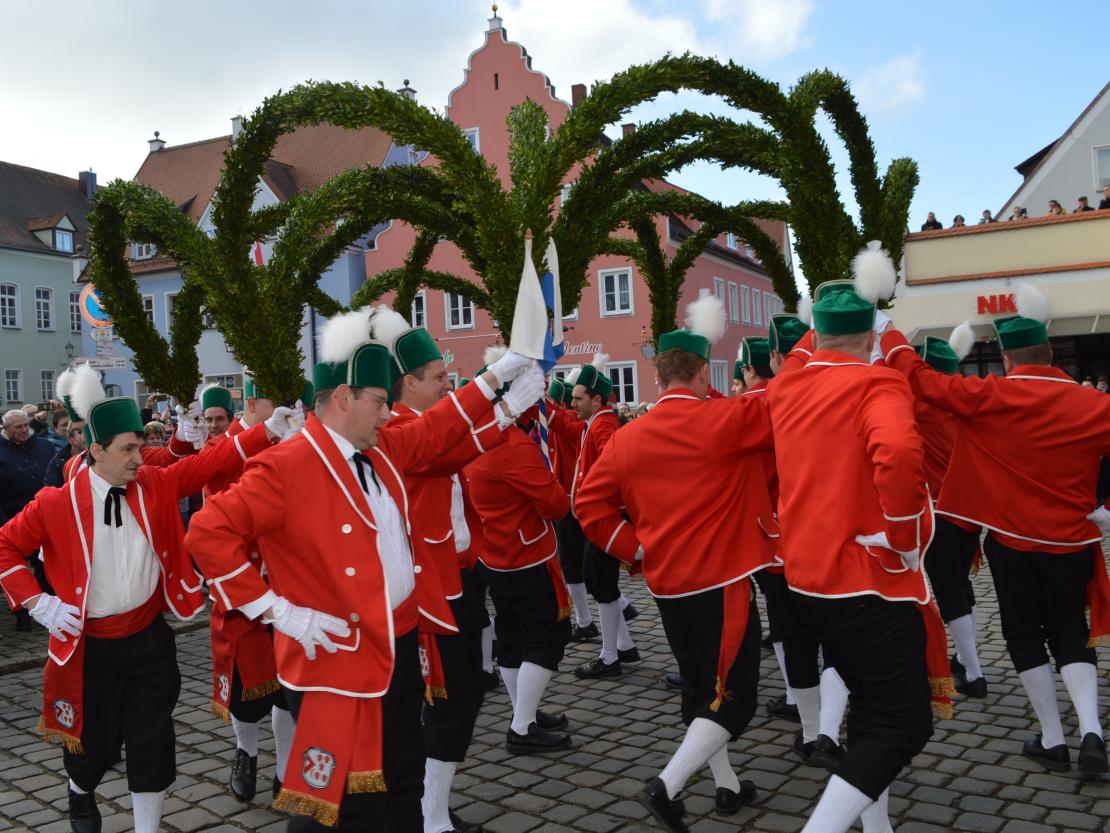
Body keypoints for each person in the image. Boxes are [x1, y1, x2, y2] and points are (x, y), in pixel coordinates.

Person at [185, 307, 544, 832]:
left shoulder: (376, 448)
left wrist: (501, 384)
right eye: (379, 401)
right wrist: (275, 611)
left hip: (397, 643)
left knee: (402, 776)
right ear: (342, 399)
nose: (387, 412)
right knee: (333, 799)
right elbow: (207, 533)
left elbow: (436, 431)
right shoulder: (287, 464)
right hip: (337, 659)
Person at [0, 364, 286, 833]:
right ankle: (80, 792)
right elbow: (5, 546)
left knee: (152, 738)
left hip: (149, 639)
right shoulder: (57, 503)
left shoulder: (154, 485)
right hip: (89, 645)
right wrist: (38, 603)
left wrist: (263, 431)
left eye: (140, 445)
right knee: (94, 744)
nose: (141, 457)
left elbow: (204, 465)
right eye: (129, 449)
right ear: (96, 451)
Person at [880, 284, 1110, 776]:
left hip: (1011, 542)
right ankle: (1091, 730)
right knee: (1071, 630)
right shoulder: (1093, 404)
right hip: (1073, 540)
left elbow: (921, 379)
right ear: (1050, 353)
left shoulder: (992, 394)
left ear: (1007, 358)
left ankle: (1052, 738)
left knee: (1025, 635)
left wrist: (889, 332)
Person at [576, 294, 775, 831]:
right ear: (701, 372)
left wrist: (633, 546)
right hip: (722, 581)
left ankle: (727, 785)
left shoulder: (625, 437)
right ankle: (666, 786)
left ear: (660, 375)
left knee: (699, 688)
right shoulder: (723, 419)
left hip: (666, 583)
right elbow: (785, 397)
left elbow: (587, 505)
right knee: (735, 698)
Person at [767, 258, 945, 833]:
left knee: (871, 706)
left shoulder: (787, 384)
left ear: (815, 334)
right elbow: (898, 454)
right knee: (904, 721)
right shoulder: (878, 382)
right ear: (869, 336)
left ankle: (876, 826)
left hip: (804, 579)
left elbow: (797, 355)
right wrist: (899, 533)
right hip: (863, 580)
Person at [382, 312, 492, 833]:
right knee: (450, 701)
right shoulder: (399, 429)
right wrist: (496, 385)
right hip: (430, 592)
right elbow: (444, 437)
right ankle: (430, 816)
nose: (449, 385)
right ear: (410, 383)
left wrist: (509, 406)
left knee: (464, 696)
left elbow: (461, 441)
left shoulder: (424, 425)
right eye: (439, 378)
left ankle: (432, 808)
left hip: (458, 577)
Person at [466, 375, 573, 757]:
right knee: (547, 636)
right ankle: (522, 725)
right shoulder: (511, 447)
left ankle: (522, 712)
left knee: (511, 639)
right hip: (526, 555)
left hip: (493, 554)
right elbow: (557, 505)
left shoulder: (473, 441)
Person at [912, 336, 988, 698]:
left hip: (939, 509)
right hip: (970, 510)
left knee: (949, 590)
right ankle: (965, 658)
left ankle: (973, 674)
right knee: (960, 584)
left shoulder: (920, 408)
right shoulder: (966, 408)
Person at [568, 353, 640, 680]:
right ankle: (624, 647)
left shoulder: (605, 422)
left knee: (602, 584)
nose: (573, 404)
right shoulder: (597, 420)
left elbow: (615, 464)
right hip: (598, 517)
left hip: (605, 518)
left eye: (579, 398)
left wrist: (596, 498)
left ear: (597, 399)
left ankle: (610, 657)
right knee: (600, 582)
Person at [1, 408, 57, 630]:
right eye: (18, 427)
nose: (25, 430)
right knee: (15, 568)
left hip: (43, 517)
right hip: (12, 518)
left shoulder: (45, 446)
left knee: (45, 564)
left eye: (26, 425)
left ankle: (48, 605)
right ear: (6, 429)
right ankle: (22, 616)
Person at [545, 376, 592, 640]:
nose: (572, 405)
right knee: (581, 567)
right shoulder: (567, 422)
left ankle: (586, 620)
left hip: (574, 501)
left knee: (577, 566)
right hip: (566, 498)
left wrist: (539, 396)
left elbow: (559, 421)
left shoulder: (574, 423)